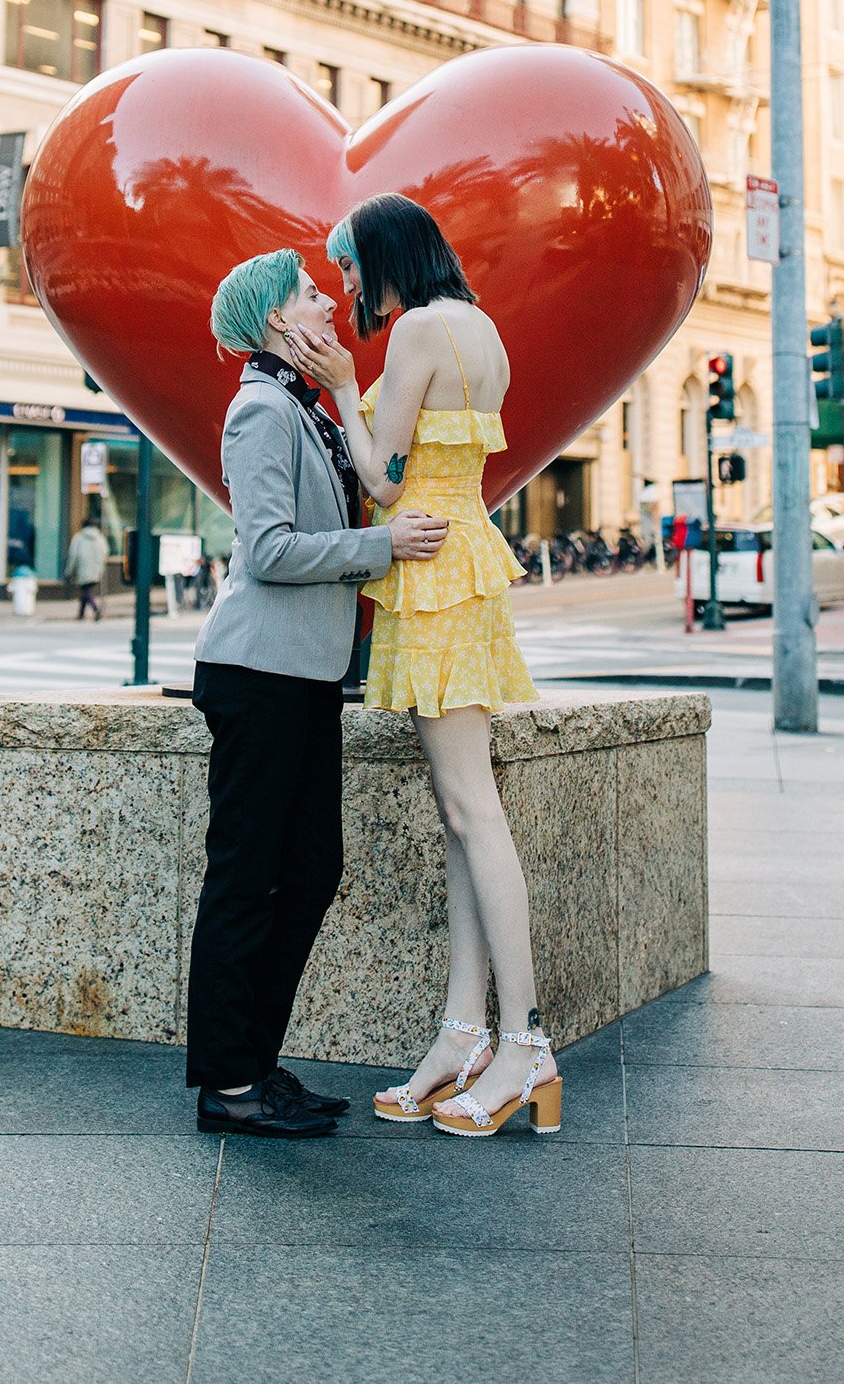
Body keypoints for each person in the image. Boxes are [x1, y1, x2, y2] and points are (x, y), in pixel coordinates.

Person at [287, 193, 561, 1141]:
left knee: (471, 809)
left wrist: (334, 385)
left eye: (352, 268)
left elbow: (382, 479)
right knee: (459, 811)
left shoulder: (413, 335)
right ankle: (464, 1033)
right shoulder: (479, 329)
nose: (349, 287)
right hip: (465, 563)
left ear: (386, 254)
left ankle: (524, 1043)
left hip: (430, 568)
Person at [186, 246, 450, 1140]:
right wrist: (381, 549)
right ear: (275, 322)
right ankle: (228, 1085)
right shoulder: (260, 409)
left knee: (308, 870)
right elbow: (268, 549)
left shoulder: (305, 407)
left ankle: (255, 1062)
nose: (328, 306)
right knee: (245, 879)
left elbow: (369, 486)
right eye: (309, 296)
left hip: (299, 676)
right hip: (256, 675)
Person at [65, 505, 109, 621]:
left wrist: (69, 571)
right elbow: (105, 552)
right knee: (86, 591)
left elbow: (73, 555)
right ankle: (81, 614)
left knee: (86, 591)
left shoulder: (79, 538)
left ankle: (95, 608)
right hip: (96, 569)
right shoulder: (100, 538)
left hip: (83, 569)